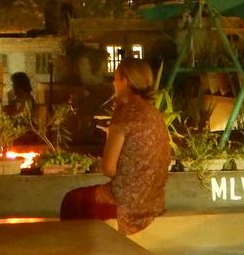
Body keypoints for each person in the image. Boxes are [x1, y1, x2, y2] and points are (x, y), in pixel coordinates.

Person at [59, 58, 170, 235]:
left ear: (125, 82)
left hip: (126, 203)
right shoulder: (153, 113)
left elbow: (108, 168)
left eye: (116, 78)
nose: (113, 82)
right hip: (154, 200)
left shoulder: (125, 114)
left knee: (73, 200)